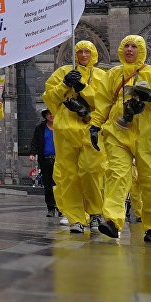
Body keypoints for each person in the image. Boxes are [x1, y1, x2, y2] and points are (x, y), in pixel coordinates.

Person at [92, 35, 151, 242]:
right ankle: (112, 221)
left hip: (149, 133)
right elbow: (102, 103)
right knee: (117, 174)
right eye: (126, 46)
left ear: (142, 50)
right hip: (118, 130)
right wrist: (94, 126)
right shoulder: (112, 74)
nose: (130, 50)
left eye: (134, 47)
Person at [42, 40, 108, 234]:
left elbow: (102, 102)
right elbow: (49, 98)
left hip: (90, 129)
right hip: (65, 130)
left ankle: (95, 212)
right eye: (80, 52)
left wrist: (81, 87)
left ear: (93, 54)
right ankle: (75, 218)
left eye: (87, 51)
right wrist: (64, 85)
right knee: (68, 176)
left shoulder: (101, 76)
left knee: (91, 172)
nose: (84, 55)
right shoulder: (63, 72)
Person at [30, 109, 58, 218]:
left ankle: (61, 207)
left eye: (53, 113)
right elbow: (35, 141)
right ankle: (51, 208)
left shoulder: (60, 127)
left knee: (60, 185)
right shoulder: (40, 128)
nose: (51, 115)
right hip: (45, 159)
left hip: (59, 159)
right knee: (47, 185)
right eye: (48, 114)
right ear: (45, 116)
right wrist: (32, 153)